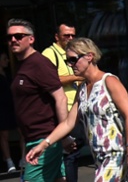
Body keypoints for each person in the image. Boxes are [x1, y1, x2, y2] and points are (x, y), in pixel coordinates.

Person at [26, 37, 128, 181]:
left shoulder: (109, 81)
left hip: (115, 154)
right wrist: (43, 145)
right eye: (68, 61)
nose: (70, 65)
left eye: (73, 59)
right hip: (99, 157)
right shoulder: (82, 88)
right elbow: (68, 122)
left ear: (89, 56)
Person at [6, 18, 68, 182]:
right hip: (33, 139)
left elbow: (60, 98)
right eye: (10, 37)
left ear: (31, 39)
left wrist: (64, 134)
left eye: (18, 36)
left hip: (44, 138)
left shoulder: (39, 63)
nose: (13, 40)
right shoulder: (23, 64)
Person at [42, 22, 85, 182]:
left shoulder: (75, 52)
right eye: (66, 35)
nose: (70, 38)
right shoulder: (49, 54)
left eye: (73, 35)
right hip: (62, 113)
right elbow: (48, 81)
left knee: (75, 153)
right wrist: (76, 77)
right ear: (57, 37)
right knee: (69, 155)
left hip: (78, 111)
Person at [0, 50, 18, 173]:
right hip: (1, 108)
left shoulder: (9, 75)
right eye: (4, 58)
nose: (7, 61)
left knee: (22, 131)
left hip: (13, 106)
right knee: (4, 134)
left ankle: (23, 158)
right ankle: (9, 160)